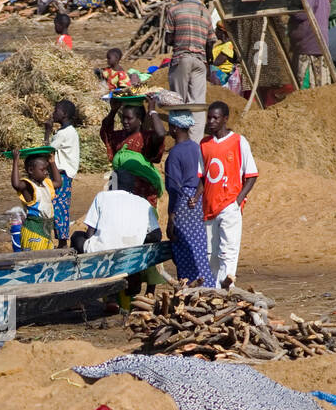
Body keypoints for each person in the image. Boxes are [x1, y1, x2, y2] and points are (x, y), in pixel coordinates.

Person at [200, 100, 258, 288]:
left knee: (228, 249)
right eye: (209, 118)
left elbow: (251, 175)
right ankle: (217, 288)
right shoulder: (204, 144)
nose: (211, 122)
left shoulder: (239, 142)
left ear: (225, 119)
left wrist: (237, 200)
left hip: (229, 205)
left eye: (215, 118)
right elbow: (203, 176)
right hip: (209, 207)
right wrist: (196, 198)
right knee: (211, 253)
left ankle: (227, 287)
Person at [164, 110, 214, 286]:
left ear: (175, 128)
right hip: (198, 203)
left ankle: (191, 289)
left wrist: (171, 218)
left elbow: (174, 189)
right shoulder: (196, 147)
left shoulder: (175, 154)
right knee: (200, 249)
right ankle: (208, 286)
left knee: (184, 250)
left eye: (170, 126)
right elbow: (204, 177)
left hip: (183, 206)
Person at [164, 0, 214, 140]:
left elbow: (169, 38)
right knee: (198, 106)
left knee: (178, 102)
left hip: (182, 58)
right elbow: (210, 42)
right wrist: (209, 64)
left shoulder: (174, 10)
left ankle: (180, 141)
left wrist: (179, 37)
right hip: (200, 61)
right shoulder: (204, 11)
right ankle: (195, 144)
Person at [99, 98, 166, 205]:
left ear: (140, 120)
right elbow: (105, 131)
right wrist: (113, 110)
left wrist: (152, 110)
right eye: (123, 118)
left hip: (142, 193)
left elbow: (161, 134)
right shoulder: (119, 136)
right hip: (120, 187)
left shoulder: (146, 138)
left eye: (129, 118)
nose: (124, 121)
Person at [71, 188, 160, 257]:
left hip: (100, 251)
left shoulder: (102, 196)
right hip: (132, 252)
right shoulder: (144, 203)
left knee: (76, 235)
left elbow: (89, 234)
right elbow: (156, 236)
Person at [287, 0, 331, 89]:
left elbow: (301, 14)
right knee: (319, 80)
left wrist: (291, 9)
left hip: (310, 42)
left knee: (307, 82)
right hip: (319, 41)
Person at [45, 100, 80, 248]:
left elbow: (47, 150)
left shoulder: (64, 134)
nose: (53, 113)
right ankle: (62, 241)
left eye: (56, 110)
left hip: (62, 175)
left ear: (64, 114)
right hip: (64, 174)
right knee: (61, 206)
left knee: (58, 207)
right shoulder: (69, 131)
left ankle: (62, 242)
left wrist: (47, 131)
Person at [10, 148, 61, 251]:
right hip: (33, 231)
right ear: (31, 170)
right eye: (43, 170)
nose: (46, 172)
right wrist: (15, 161)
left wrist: (52, 162)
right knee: (35, 259)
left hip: (46, 230)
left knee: (46, 258)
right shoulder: (28, 185)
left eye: (46, 169)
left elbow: (58, 182)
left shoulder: (46, 183)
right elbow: (16, 184)